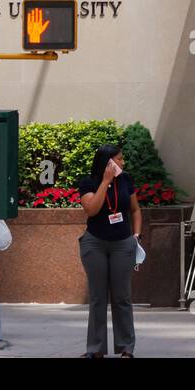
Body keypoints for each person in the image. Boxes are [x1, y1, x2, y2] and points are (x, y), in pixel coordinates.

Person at [78, 143, 142, 358]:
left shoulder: (126, 180)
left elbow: (135, 209)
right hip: (94, 243)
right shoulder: (88, 182)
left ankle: (126, 348)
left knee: (122, 297)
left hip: (123, 243)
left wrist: (136, 236)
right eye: (119, 159)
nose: (123, 162)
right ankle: (95, 349)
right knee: (97, 297)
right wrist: (105, 181)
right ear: (108, 162)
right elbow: (92, 209)